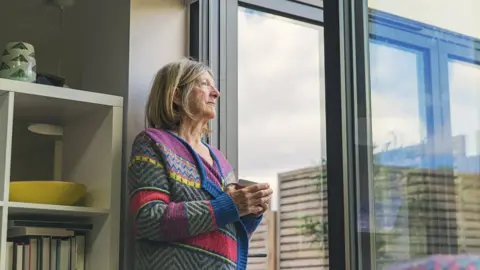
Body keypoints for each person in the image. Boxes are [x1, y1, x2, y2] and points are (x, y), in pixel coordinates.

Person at [128, 58, 273, 270]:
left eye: (214, 86)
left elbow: (227, 231)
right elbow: (149, 219)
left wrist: (251, 209)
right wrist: (230, 205)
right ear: (176, 95)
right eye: (204, 84)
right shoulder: (152, 143)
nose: (216, 93)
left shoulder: (220, 160)